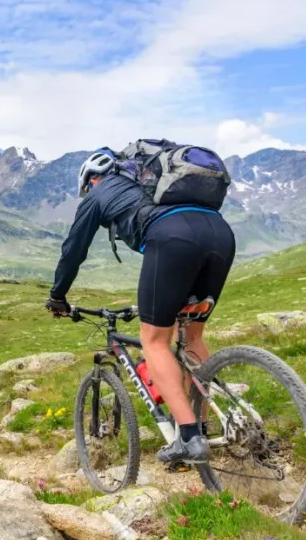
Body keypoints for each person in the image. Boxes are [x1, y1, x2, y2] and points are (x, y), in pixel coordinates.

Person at [46, 144, 235, 464]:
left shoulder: (98, 193)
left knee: (155, 342)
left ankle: (188, 438)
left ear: (91, 179)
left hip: (173, 239)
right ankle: (201, 428)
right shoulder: (150, 183)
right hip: (220, 234)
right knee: (192, 336)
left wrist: (58, 296)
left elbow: (73, 250)